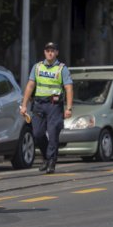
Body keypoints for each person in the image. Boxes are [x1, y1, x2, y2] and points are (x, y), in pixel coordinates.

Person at [19, 42, 74, 174]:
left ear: (56, 53)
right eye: (48, 50)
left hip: (54, 105)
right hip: (38, 104)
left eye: (52, 50)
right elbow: (30, 86)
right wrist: (24, 105)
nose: (50, 53)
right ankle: (46, 157)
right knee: (37, 134)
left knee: (53, 132)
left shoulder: (62, 69)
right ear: (44, 52)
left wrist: (69, 108)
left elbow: (69, 88)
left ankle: (51, 161)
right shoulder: (37, 67)